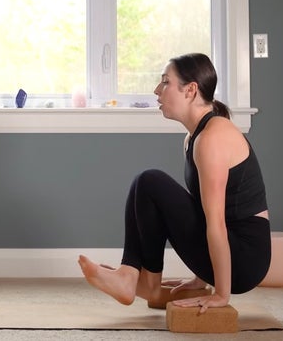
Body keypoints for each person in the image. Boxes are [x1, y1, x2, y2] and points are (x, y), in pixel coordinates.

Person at [79, 53, 270, 313]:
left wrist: (221, 294)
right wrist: (201, 278)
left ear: (190, 90)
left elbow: (216, 225)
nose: (157, 90)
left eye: (165, 82)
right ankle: (141, 280)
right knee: (143, 184)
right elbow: (202, 212)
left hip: (245, 260)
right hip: (231, 250)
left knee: (150, 181)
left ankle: (135, 280)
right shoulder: (194, 138)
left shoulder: (212, 138)